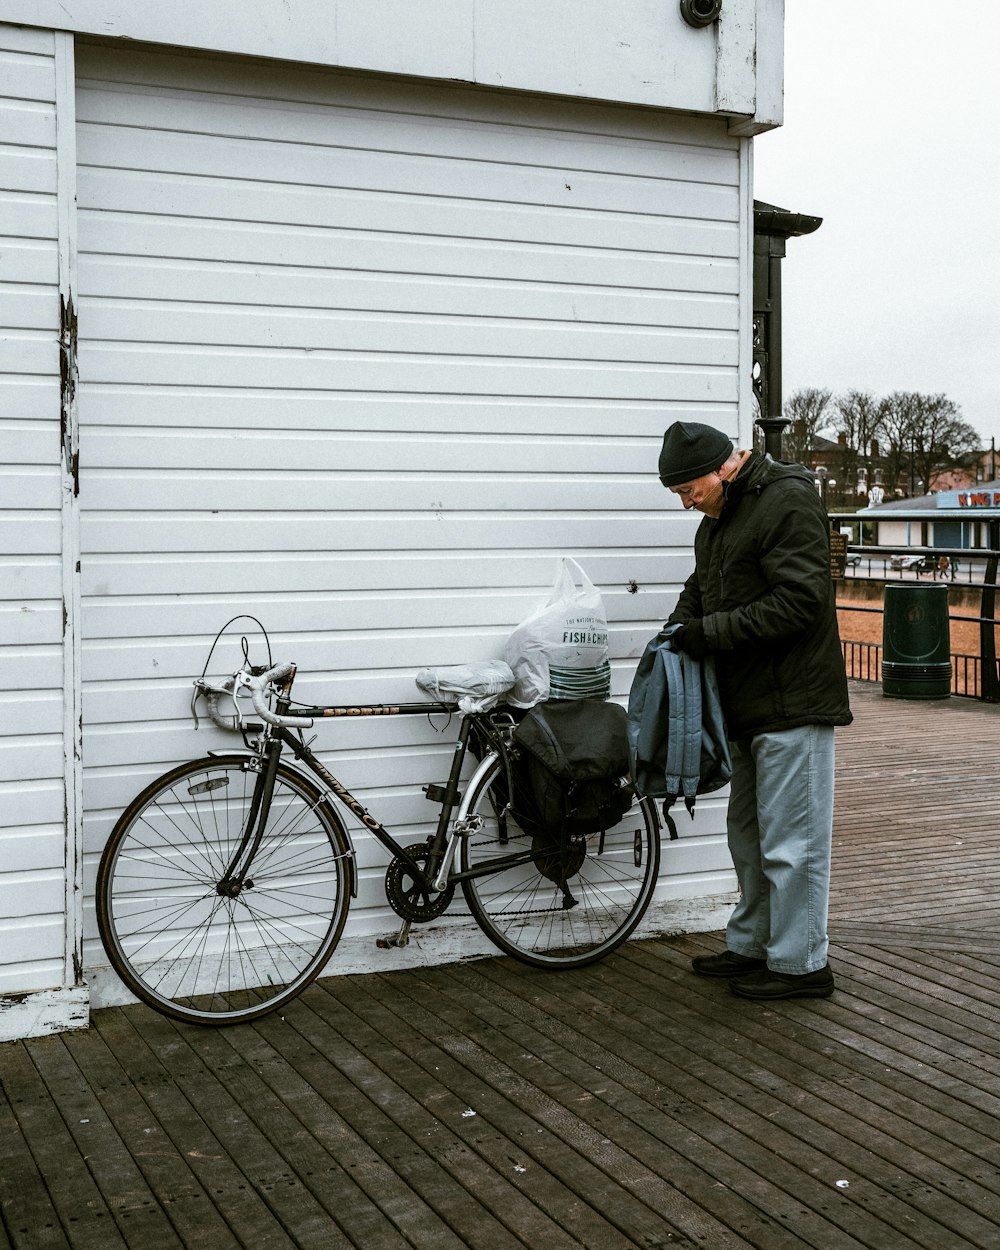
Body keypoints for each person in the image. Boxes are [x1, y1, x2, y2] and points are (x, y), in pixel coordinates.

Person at [658, 421, 852, 1000]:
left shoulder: (788, 499)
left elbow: (800, 601)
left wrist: (707, 634)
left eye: (690, 489)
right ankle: (753, 945)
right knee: (749, 835)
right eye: (678, 495)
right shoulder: (720, 519)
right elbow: (704, 587)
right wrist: (676, 627)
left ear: (724, 467)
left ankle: (801, 965)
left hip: (794, 701)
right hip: (745, 703)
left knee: (794, 843)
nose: (686, 503)